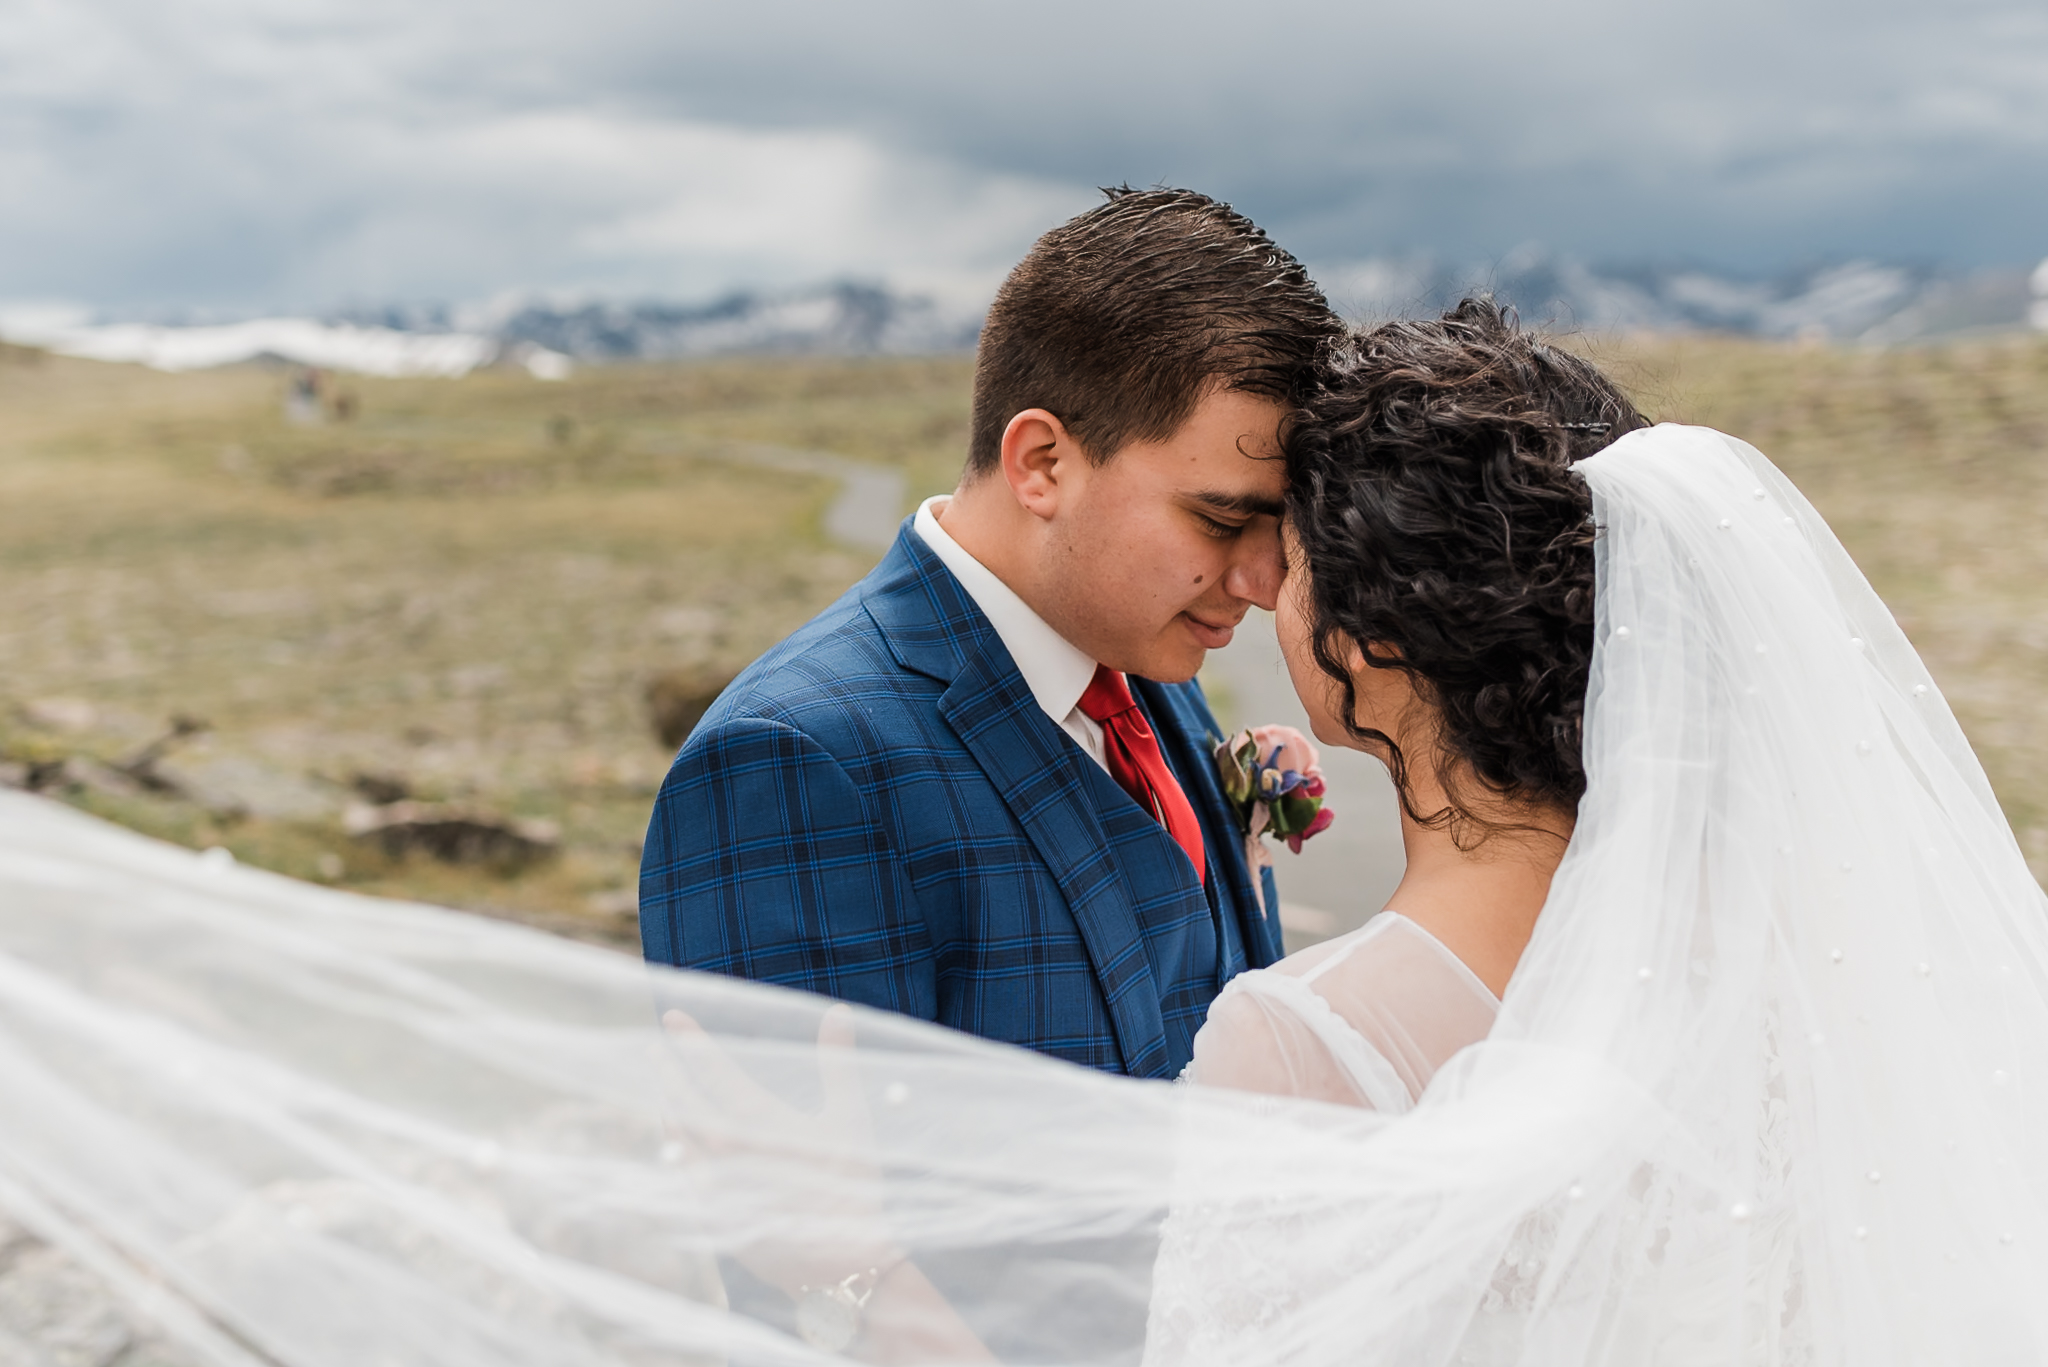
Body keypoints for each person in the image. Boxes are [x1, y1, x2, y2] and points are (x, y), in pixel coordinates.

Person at [6, 300, 2048, 1364]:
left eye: (1293, 554)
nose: (1260, 596)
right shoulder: (1815, 973)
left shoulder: (1306, 1047)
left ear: (1381, 645)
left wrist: (875, 1261)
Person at [639, 187, 1344, 1079]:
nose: (1262, 580)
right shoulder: (791, 764)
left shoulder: (1144, 654)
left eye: (1276, 529)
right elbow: (804, 1198)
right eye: (1216, 519)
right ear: (1042, 463)